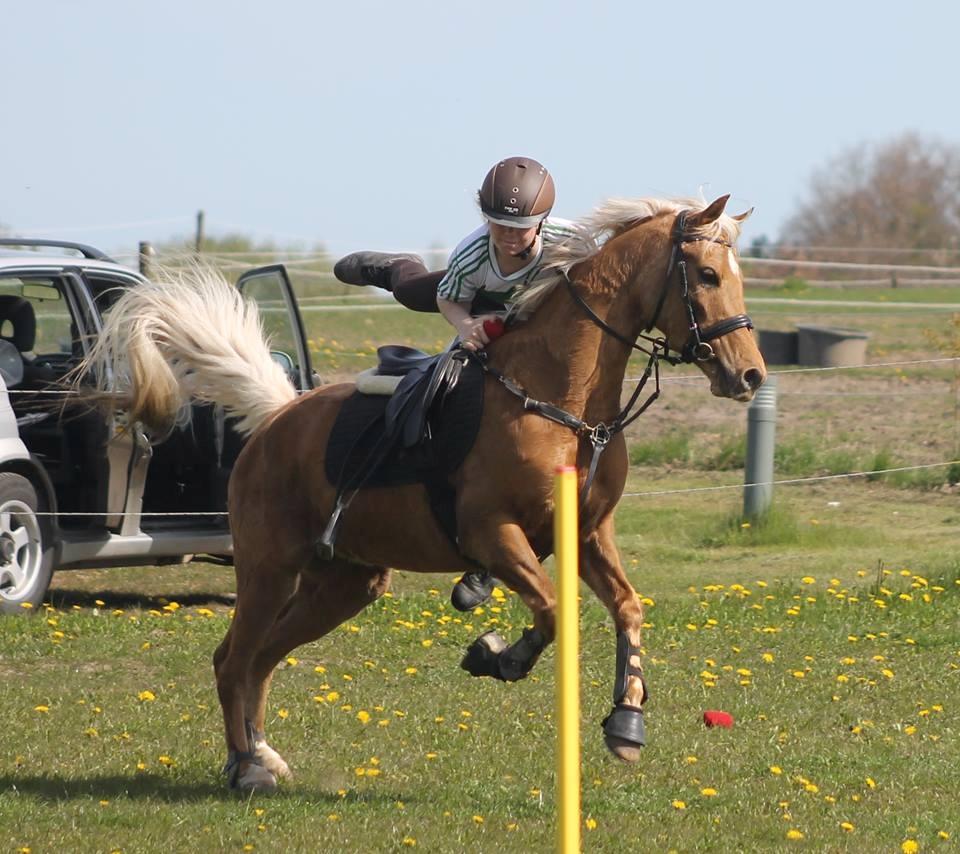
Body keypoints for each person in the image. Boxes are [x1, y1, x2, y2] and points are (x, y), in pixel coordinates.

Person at [334, 156, 574, 610]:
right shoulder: (473, 251)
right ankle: (394, 267)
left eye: (518, 227)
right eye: (496, 223)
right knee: (414, 297)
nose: (506, 235)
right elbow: (449, 300)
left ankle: (488, 562)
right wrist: (466, 330)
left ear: (542, 222)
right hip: (468, 300)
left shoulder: (573, 243)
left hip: (532, 317)